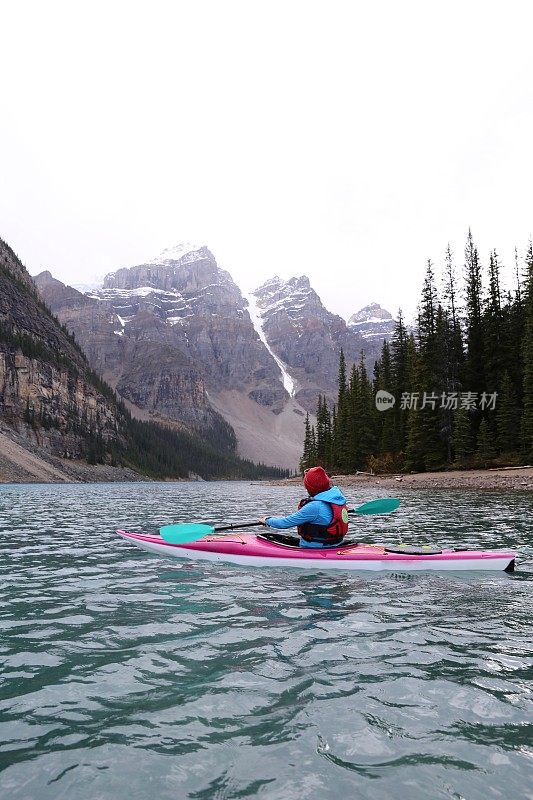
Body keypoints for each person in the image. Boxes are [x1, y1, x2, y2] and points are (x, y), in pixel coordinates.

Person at [259, 466, 349, 548]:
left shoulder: (315, 507)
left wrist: (267, 520)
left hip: (316, 548)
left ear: (310, 488)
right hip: (335, 544)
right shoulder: (337, 500)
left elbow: (285, 523)